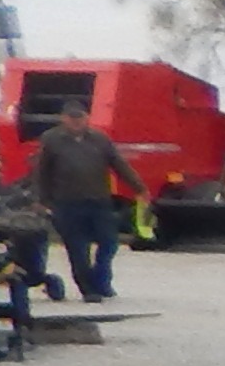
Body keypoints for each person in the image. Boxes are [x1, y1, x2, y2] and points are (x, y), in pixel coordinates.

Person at [26, 106, 147, 302]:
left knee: (109, 243)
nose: (76, 122)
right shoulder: (52, 140)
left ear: (87, 118)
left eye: (80, 118)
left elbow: (119, 164)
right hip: (67, 203)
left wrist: (139, 188)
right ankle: (88, 289)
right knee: (78, 248)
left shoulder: (100, 139)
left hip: (99, 201)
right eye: (72, 118)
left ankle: (102, 280)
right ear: (63, 119)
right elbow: (41, 173)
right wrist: (39, 200)